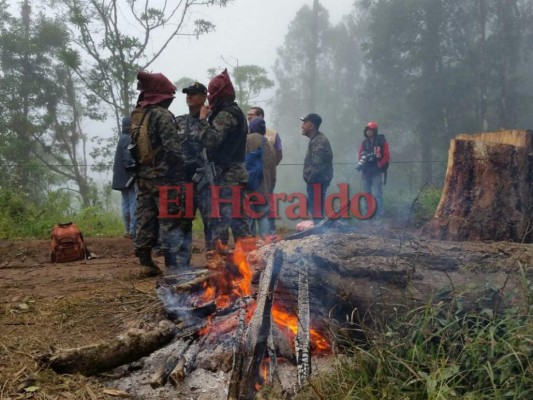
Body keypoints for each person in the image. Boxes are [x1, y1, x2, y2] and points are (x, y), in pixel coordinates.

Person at [132, 70, 189, 276]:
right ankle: (173, 266)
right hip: (164, 177)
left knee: (146, 217)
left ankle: (145, 261)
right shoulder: (162, 115)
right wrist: (183, 169)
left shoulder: (139, 114)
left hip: (144, 176)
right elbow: (173, 148)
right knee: (170, 218)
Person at [196, 69, 252, 267]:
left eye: (211, 94)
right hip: (233, 174)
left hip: (228, 175)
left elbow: (211, 141)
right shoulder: (233, 112)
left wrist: (203, 120)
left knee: (222, 218)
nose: (210, 98)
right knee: (237, 218)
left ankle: (223, 261)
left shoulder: (226, 114)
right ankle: (246, 261)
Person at [175, 82, 213, 261]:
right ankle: (183, 264)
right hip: (184, 179)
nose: (189, 96)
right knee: (183, 222)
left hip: (206, 180)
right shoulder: (179, 121)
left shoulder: (212, 119)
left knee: (211, 221)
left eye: (194, 93)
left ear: (204, 96)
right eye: (187, 93)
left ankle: (214, 262)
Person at [247, 106, 282, 234]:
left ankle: (249, 244)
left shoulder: (248, 139)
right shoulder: (270, 145)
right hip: (266, 185)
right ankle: (265, 242)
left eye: (251, 115)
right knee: (264, 214)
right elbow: (276, 160)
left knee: (249, 215)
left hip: (251, 185)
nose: (248, 117)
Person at [300, 113, 333, 223]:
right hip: (317, 182)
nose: (302, 126)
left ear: (312, 126)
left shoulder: (318, 141)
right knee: (315, 210)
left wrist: (310, 180)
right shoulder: (316, 139)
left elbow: (317, 166)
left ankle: (322, 236)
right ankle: (322, 234)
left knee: (316, 212)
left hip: (317, 182)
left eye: (305, 123)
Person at [357, 121, 390, 220]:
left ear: (374, 130)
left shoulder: (382, 141)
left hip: (376, 172)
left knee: (377, 195)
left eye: (371, 130)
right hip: (365, 172)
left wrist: (379, 165)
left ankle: (379, 216)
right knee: (366, 195)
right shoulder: (364, 142)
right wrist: (362, 164)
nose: (369, 132)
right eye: (367, 130)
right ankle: (367, 215)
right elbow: (359, 155)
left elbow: (387, 156)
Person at [111, 116, 137, 239]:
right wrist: (135, 169)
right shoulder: (128, 138)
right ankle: (132, 231)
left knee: (125, 203)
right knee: (133, 203)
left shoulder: (122, 137)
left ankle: (128, 230)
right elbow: (128, 159)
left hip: (121, 178)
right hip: (129, 177)